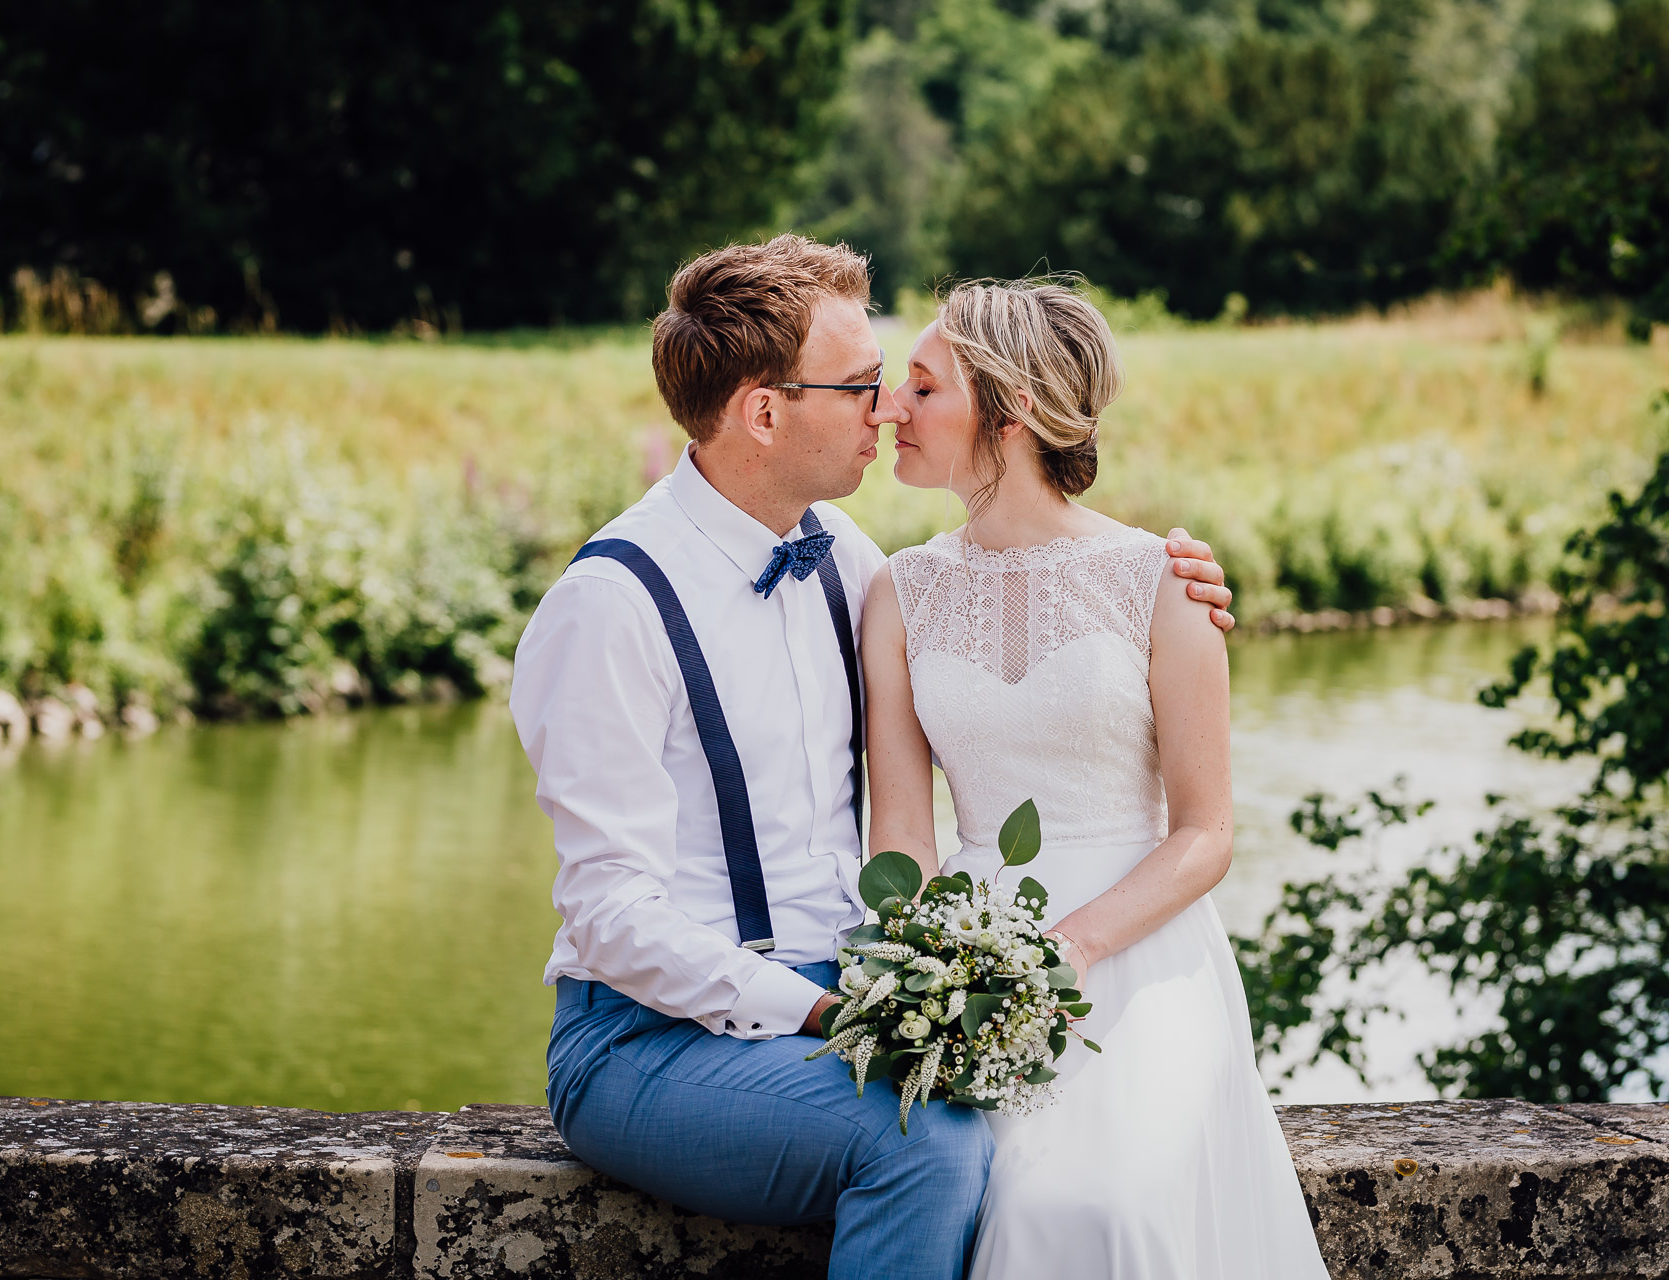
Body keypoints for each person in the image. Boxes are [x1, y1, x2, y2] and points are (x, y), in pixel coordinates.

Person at [509, 236, 1235, 1280]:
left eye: (896, 384)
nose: (886, 407)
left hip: (838, 1006)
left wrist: (1182, 588)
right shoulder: (610, 606)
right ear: (765, 412)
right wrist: (825, 1007)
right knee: (926, 1143)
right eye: (859, 386)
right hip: (646, 1040)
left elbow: (1032, 580)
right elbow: (611, 916)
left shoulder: (853, 563)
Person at [863, 279, 1329, 1279]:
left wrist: (1070, 945)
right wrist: (915, 979)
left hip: (1140, 948)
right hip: (973, 959)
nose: (891, 408)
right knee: (988, 1190)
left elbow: (1206, 830)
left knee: (1099, 1205)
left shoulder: (1161, 578)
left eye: (923, 386)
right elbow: (901, 829)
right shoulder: (896, 592)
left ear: (1012, 408)